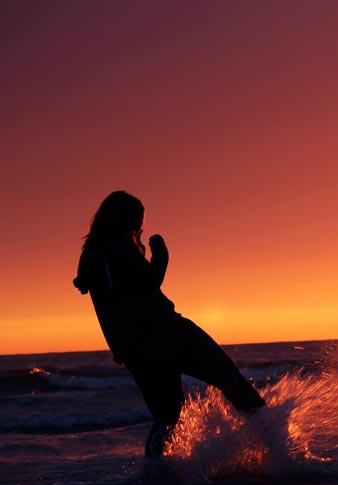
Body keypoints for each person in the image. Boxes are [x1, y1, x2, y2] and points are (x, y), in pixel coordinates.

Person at [73, 191, 265, 457]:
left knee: (176, 410)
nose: (141, 224)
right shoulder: (106, 252)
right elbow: (143, 284)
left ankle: (271, 441)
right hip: (159, 337)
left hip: (151, 341)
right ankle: (273, 441)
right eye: (137, 218)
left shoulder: (111, 249)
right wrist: (161, 255)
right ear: (121, 218)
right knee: (186, 404)